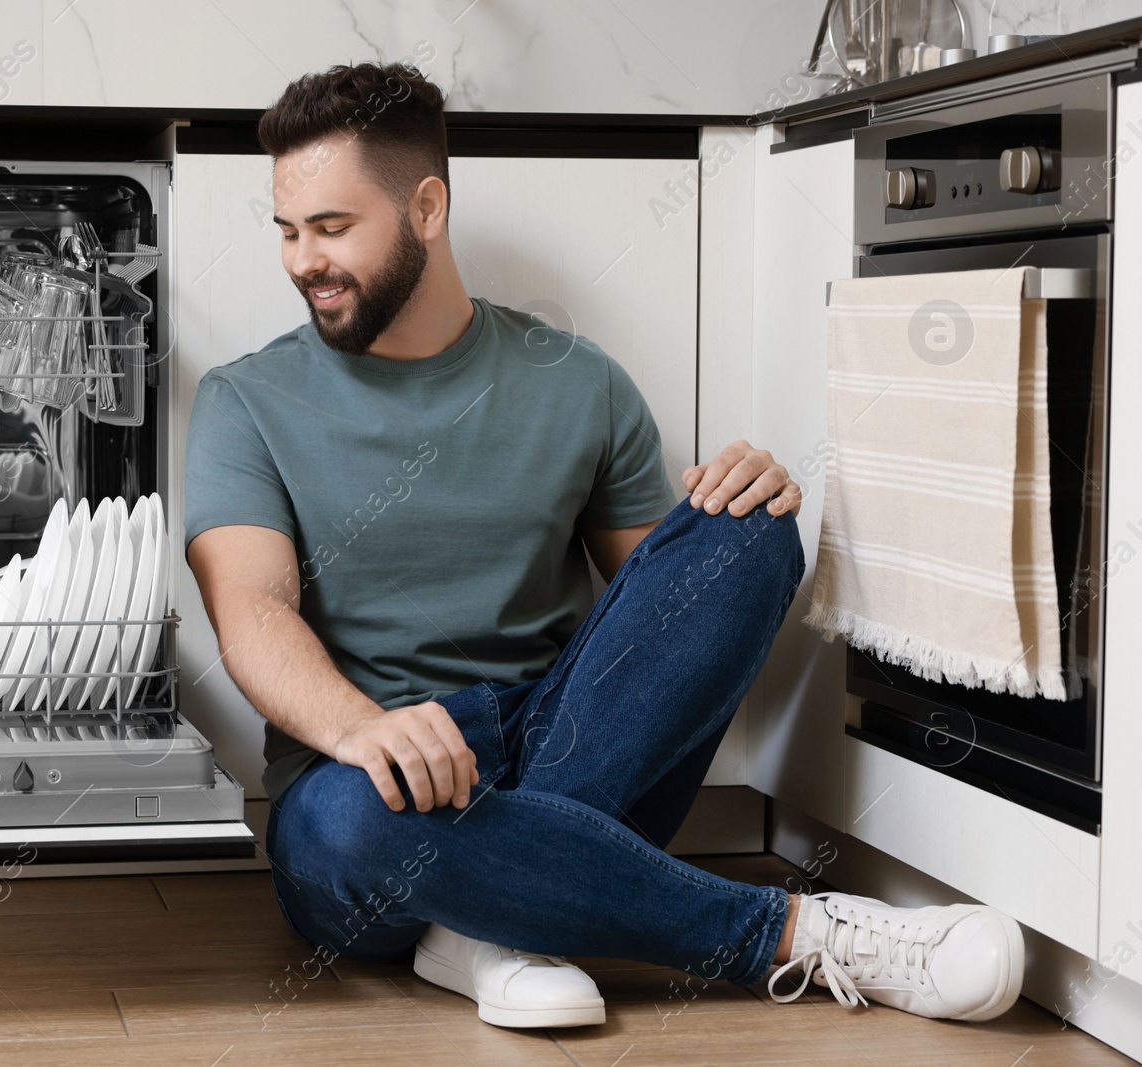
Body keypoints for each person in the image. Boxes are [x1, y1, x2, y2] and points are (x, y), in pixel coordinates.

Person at [183, 60, 1025, 1029]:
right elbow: (249, 610)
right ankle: (797, 933)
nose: (301, 260)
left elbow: (660, 622)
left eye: (331, 228)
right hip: (365, 781)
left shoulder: (575, 380)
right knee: (351, 822)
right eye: (287, 230)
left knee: (746, 532)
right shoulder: (245, 400)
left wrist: (735, 505)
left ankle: (491, 918)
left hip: (551, 732)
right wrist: (360, 729)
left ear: (425, 207)